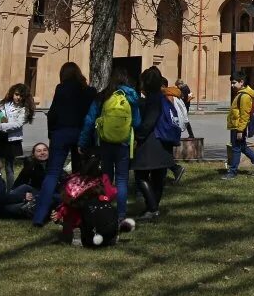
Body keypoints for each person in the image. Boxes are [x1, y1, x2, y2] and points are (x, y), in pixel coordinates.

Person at [33, 62, 98, 226]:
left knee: (52, 174)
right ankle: (79, 213)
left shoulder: (61, 89)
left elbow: (53, 114)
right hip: (80, 134)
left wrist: (51, 134)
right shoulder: (88, 91)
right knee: (80, 175)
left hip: (61, 133)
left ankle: (40, 216)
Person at [78, 66, 140, 225]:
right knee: (122, 179)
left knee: (106, 177)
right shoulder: (132, 97)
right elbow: (137, 122)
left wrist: (83, 141)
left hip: (104, 143)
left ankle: (105, 208)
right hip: (124, 144)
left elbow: (89, 120)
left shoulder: (103, 96)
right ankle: (120, 215)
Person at [54, 155, 136, 246]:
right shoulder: (101, 179)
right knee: (104, 212)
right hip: (96, 217)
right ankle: (111, 234)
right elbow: (111, 194)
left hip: (75, 218)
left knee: (74, 212)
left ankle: (77, 233)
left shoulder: (72, 180)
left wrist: (59, 214)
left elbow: (66, 201)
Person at [133, 66, 177, 219]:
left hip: (152, 141)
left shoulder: (153, 99)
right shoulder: (163, 97)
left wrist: (139, 136)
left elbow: (149, 122)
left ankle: (152, 209)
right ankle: (152, 208)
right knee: (158, 178)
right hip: (164, 141)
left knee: (141, 176)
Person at [223, 71, 254, 180]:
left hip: (239, 127)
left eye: (234, 83)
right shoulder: (241, 94)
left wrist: (240, 130)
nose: (232, 85)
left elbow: (245, 115)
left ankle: (232, 172)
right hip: (237, 126)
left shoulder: (244, 96)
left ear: (241, 82)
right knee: (242, 147)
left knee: (236, 149)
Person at [0, 82, 34, 186]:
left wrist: (0, 126)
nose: (18, 97)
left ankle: (10, 190)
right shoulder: (6, 104)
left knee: (9, 167)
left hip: (12, 140)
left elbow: (17, 124)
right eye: (16, 94)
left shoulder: (23, 110)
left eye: (21, 96)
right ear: (12, 93)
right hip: (1, 138)